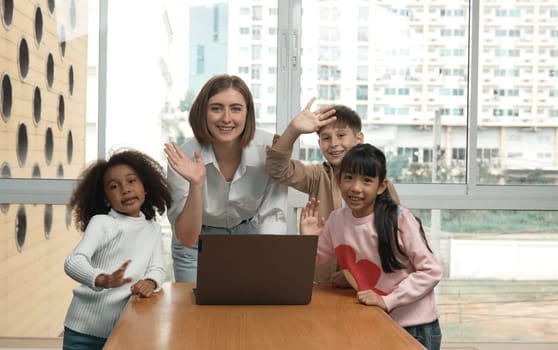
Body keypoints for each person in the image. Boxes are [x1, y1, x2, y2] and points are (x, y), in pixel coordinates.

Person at [300, 143, 442, 350]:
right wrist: (308, 240)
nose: (356, 188)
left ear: (381, 186)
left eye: (367, 181)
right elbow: (315, 265)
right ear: (339, 181)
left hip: (415, 326)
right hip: (373, 318)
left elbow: (431, 271)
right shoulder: (336, 220)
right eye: (348, 178)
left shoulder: (400, 219)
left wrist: (388, 299)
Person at [164, 74, 287, 282]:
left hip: (250, 238)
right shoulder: (184, 157)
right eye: (216, 108)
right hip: (195, 245)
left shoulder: (269, 149)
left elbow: (273, 215)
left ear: (248, 113)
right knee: (195, 312)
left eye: (236, 109)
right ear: (203, 113)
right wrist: (196, 184)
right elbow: (186, 237)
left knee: (248, 311)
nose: (226, 119)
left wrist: (269, 262)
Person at [266, 98, 400, 282]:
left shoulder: (380, 186)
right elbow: (277, 169)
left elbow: (392, 240)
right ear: (319, 143)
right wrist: (293, 130)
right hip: (324, 282)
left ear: (359, 138)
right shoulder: (317, 176)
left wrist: (354, 276)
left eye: (341, 135)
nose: (334, 144)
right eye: (326, 138)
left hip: (369, 284)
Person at [62, 148, 172, 350]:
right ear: (106, 199)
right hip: (84, 331)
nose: (125, 189)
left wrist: (149, 281)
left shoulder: (153, 229)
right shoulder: (102, 223)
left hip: (127, 327)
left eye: (131, 181)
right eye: (114, 186)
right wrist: (103, 279)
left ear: (145, 187)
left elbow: (157, 268)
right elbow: (73, 261)